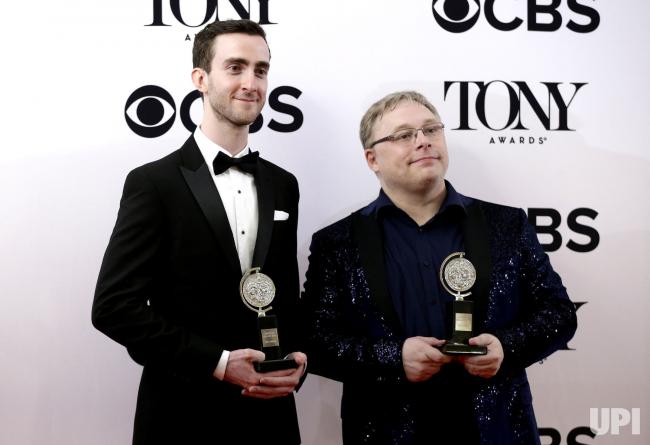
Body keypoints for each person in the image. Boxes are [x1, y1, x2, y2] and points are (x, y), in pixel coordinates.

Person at [301, 91, 577, 444]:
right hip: (386, 432)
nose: (423, 141)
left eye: (431, 130)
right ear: (373, 159)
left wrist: (505, 347)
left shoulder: (507, 225)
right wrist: (393, 357)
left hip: (495, 431)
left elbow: (559, 313)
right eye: (404, 135)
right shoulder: (336, 243)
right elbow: (315, 339)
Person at [92, 19, 306, 445]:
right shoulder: (153, 182)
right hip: (182, 413)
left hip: (271, 417)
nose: (251, 82)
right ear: (201, 79)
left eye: (261, 70)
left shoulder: (284, 184)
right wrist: (220, 362)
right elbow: (115, 307)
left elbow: (283, 291)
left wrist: (298, 357)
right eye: (236, 67)